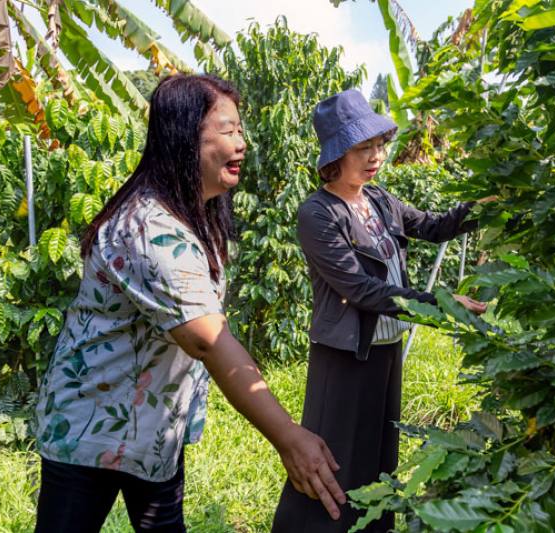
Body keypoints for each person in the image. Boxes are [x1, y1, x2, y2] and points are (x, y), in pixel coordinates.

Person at [33, 74, 345, 532]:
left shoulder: (195, 214)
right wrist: (289, 437)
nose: (241, 143)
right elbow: (206, 339)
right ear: (183, 138)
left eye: (240, 129)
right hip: (92, 427)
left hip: (154, 429)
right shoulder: (148, 227)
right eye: (226, 130)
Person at [272, 89, 487, 533]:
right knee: (334, 460)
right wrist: (442, 305)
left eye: (379, 145)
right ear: (336, 155)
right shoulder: (319, 213)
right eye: (362, 148)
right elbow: (360, 289)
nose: (376, 156)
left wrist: (484, 206)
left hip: (385, 351)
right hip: (344, 356)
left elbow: (435, 225)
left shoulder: (380, 200)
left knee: (379, 453)